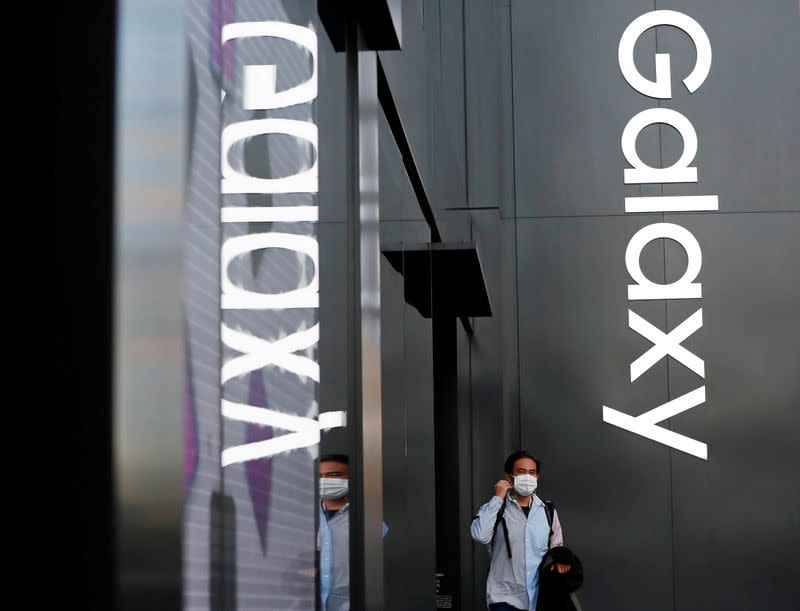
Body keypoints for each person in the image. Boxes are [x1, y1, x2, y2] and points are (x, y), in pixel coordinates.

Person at [470, 450, 571, 611]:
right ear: (509, 477)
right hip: (504, 598)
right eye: (521, 472)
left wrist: (562, 560)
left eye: (532, 472)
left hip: (540, 598)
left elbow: (557, 547)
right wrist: (497, 498)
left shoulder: (548, 510)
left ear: (537, 477)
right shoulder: (495, 508)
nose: (527, 477)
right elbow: (480, 536)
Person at [318, 454, 352, 611]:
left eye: (333, 475)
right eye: (320, 476)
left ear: (349, 478)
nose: (324, 481)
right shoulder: (303, 518)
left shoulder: (368, 520)